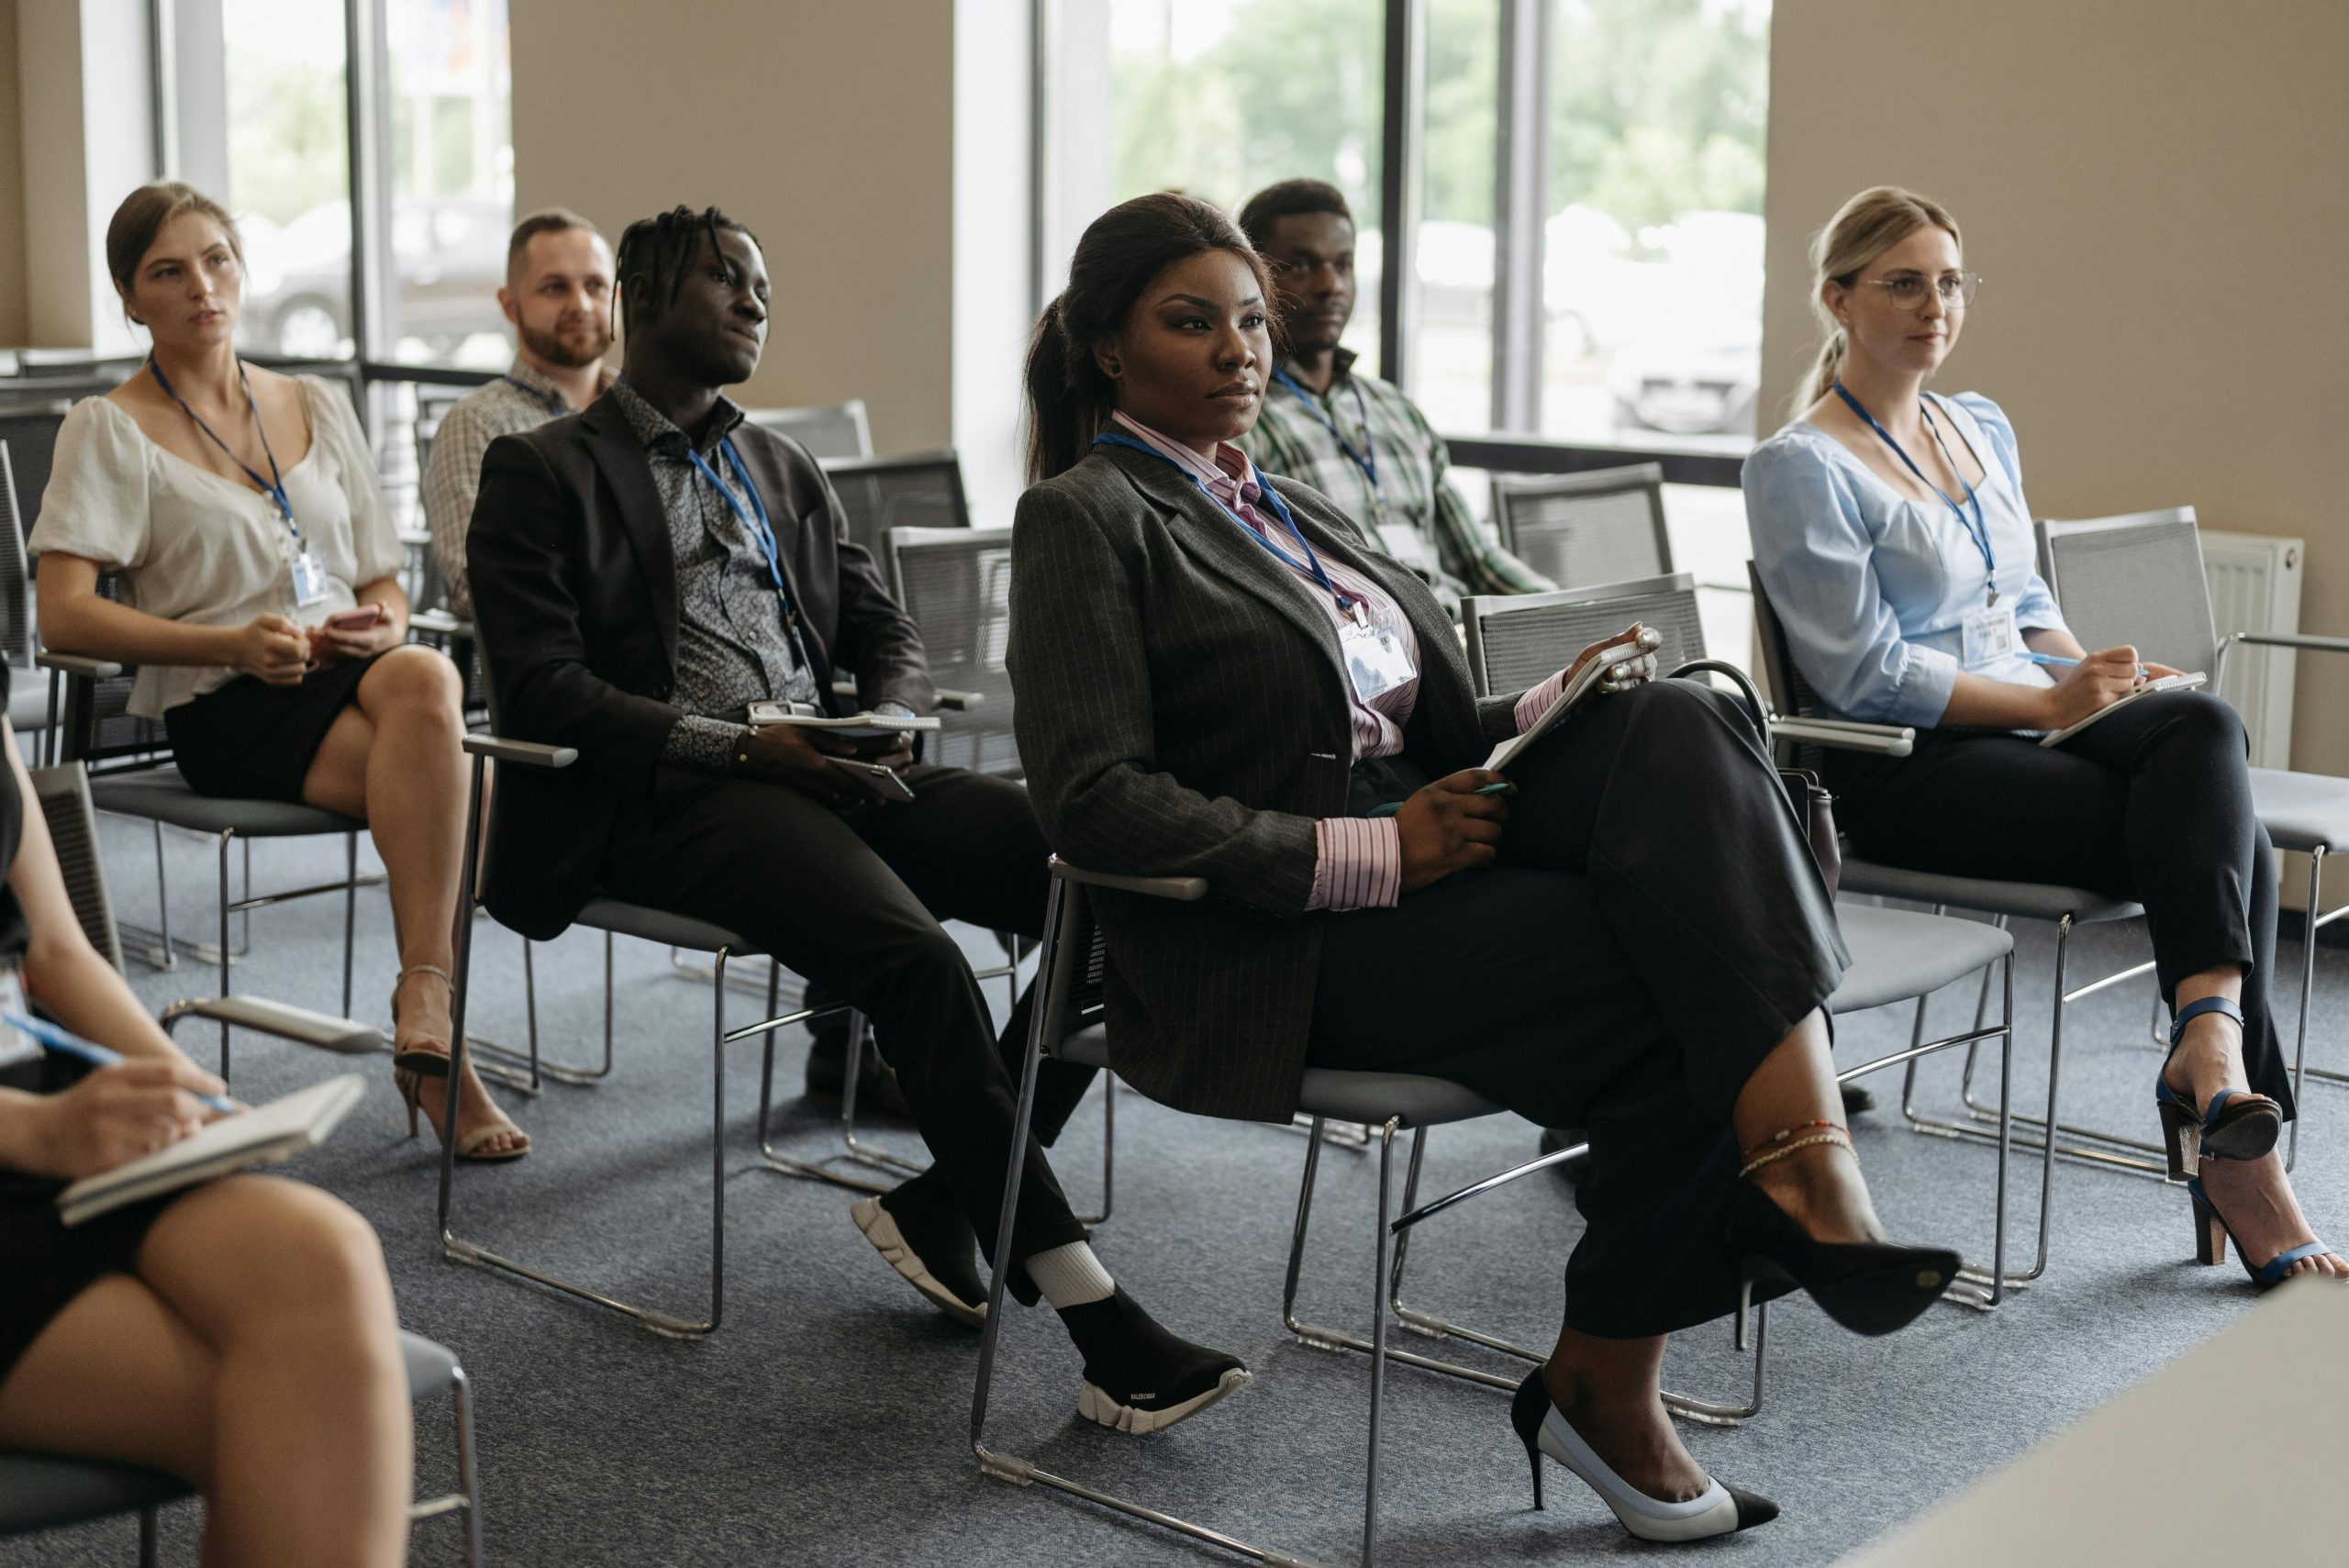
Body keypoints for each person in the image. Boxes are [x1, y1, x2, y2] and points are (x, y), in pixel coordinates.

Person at [1008, 192, 1960, 1540]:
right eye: (1192, 322)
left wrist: (1537, 715)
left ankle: (1785, 1186)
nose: (1240, 350)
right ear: (1107, 348)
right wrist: (1372, 851)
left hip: (1433, 839)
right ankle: (1632, 1355)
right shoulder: (1087, 517)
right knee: (1681, 986)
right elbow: (1094, 804)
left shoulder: (1283, 502)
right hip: (1276, 929)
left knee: (1681, 712)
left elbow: (1412, 722)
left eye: (1251, 322)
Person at [464, 203, 1245, 1432]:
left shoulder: (779, 464)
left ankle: (950, 1199)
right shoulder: (545, 468)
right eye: (733, 279)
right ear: (650, 293)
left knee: (1091, 876)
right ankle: (1094, 1315)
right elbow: (547, 686)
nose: (759, 303)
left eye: (765, 286)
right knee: (915, 962)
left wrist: (881, 712)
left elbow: (884, 630)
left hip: (822, 766)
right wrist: (745, 743)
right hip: (664, 794)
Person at [1745, 185, 2342, 1291]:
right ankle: (2229, 1130)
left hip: (2030, 728)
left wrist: (2086, 673)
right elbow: (1859, 674)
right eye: (1905, 281)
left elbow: (2022, 599)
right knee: (2231, 839)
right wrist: (2049, 707)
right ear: (1837, 297)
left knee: (2196, 736)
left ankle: (2207, 1057)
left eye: (1951, 281)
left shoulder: (1976, 423)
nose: (1936, 305)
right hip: (1906, 767)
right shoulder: (1801, 463)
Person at [28, 181, 527, 1163]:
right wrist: (230, 643)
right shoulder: (110, 426)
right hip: (227, 701)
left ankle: (429, 1011)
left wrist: (371, 625)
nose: (202, 286)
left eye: (217, 259)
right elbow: (62, 614)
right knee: (463, 768)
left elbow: (385, 583)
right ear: (132, 300)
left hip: (353, 673)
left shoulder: (315, 403)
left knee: (419, 672)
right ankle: (434, 1029)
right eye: (168, 272)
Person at [0, 669, 413, 1567]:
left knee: (323, 1250)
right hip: (26, 1128)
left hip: (42, 1098)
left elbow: (58, 953)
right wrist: (33, 1131)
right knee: (293, 1416)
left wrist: (193, 1092)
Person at [1236, 178, 1553, 618]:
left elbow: (1479, 560)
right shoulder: (1243, 421)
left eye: (1343, 264)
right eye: (1303, 266)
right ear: (1254, 281)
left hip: (1458, 635)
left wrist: (1572, 613)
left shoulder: (1393, 409)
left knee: (1665, 687)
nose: (1331, 285)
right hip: (1379, 655)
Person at [421, 207, 618, 621]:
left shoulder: (642, 413)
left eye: (596, 286)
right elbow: (469, 585)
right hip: (547, 664)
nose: (580, 304)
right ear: (510, 306)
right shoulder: (477, 424)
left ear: (616, 298)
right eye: (555, 287)